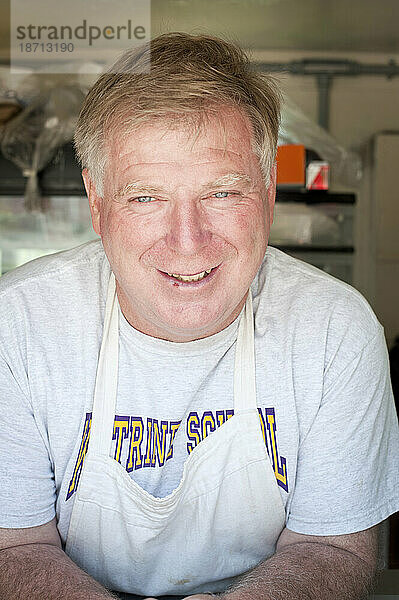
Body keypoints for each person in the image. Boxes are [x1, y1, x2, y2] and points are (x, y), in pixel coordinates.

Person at [0, 32, 398, 600]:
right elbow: (15, 547)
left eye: (222, 194)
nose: (188, 242)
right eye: (146, 197)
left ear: (267, 194)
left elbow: (334, 549)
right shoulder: (15, 327)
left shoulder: (336, 331)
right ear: (96, 200)